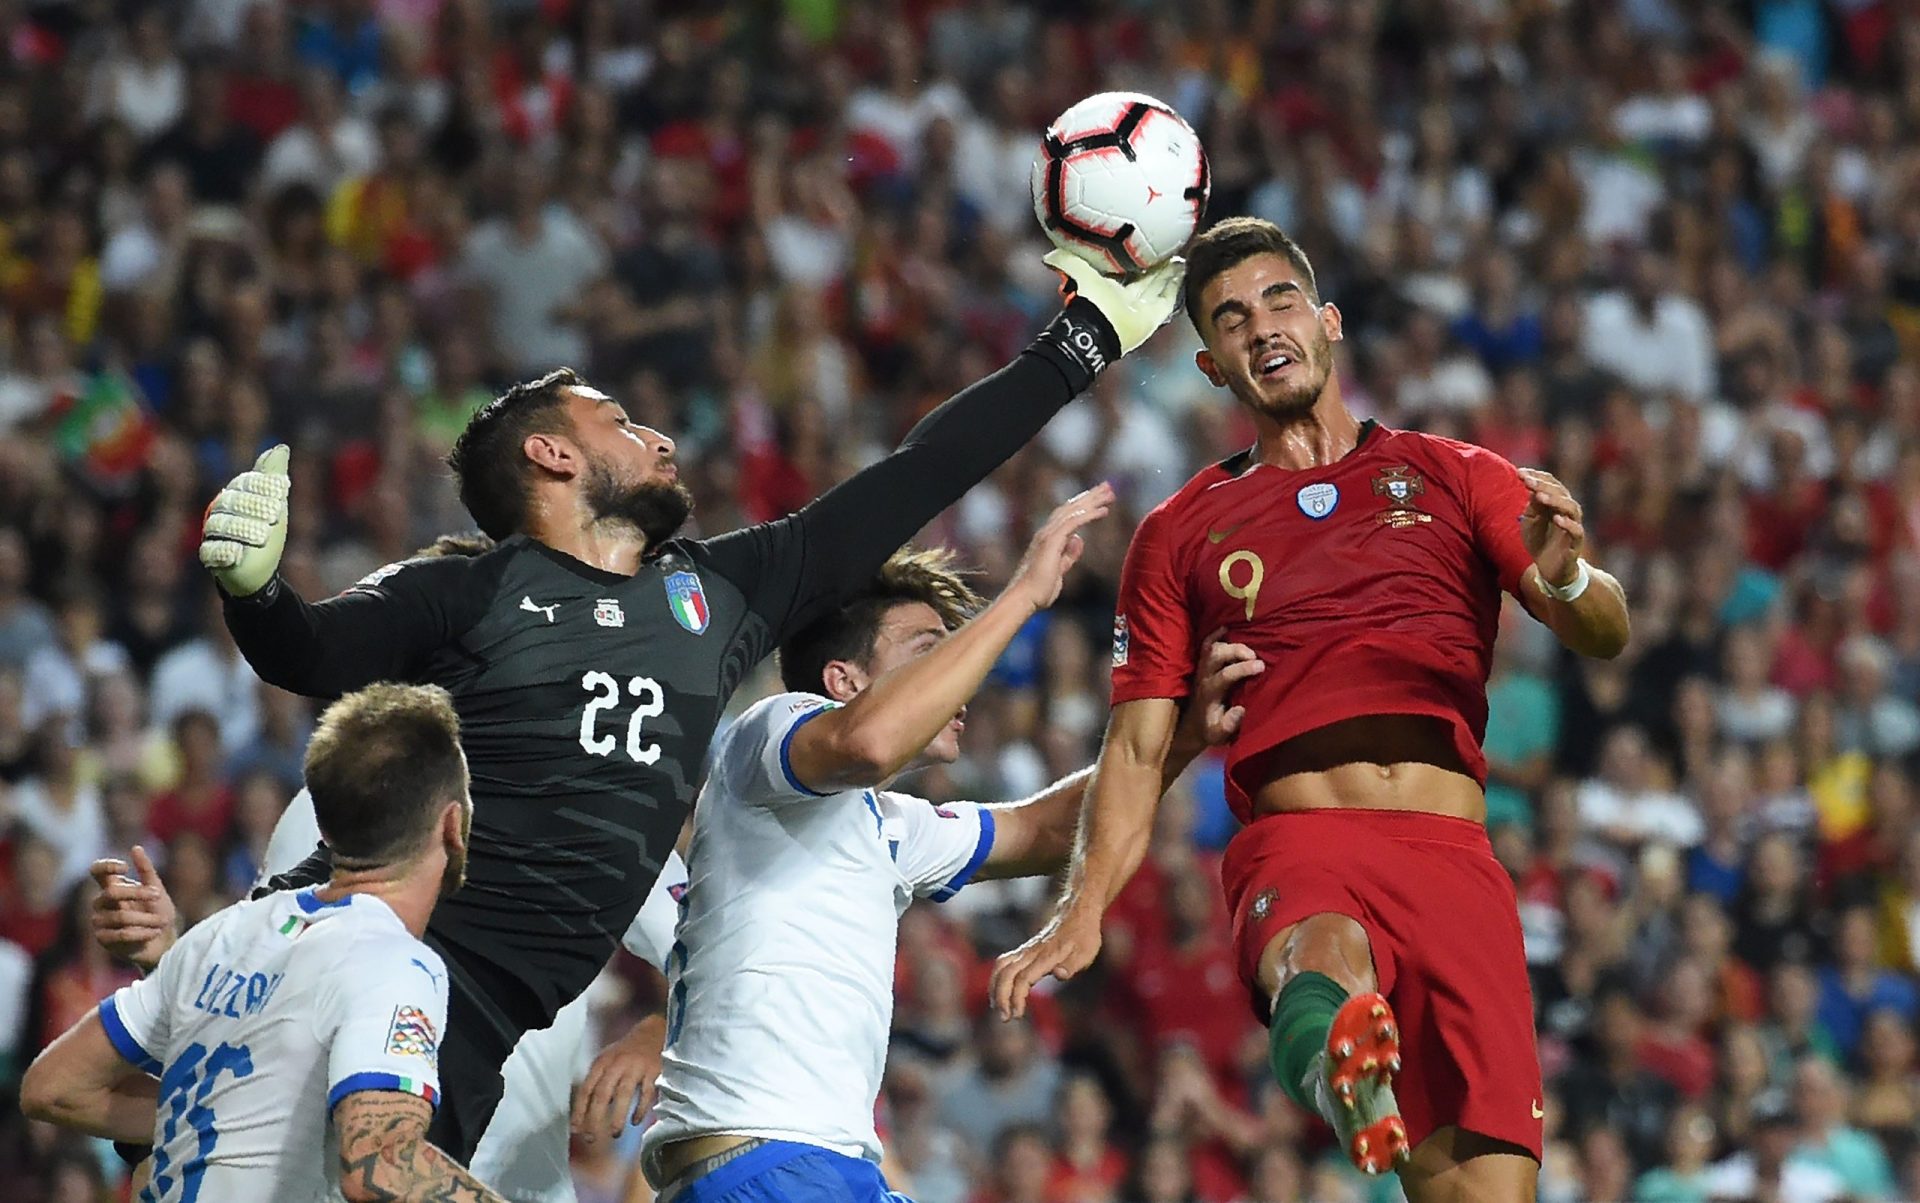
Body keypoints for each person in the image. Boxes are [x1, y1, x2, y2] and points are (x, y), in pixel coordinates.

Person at [191, 248, 1183, 1162]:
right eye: (621, 423)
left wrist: (1077, 344)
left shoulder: (721, 593)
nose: (658, 436)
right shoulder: (468, 591)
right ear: (552, 457)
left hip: (481, 1026)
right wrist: (256, 593)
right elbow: (312, 652)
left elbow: (921, 472)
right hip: (373, 970)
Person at [990, 218, 1632, 1202]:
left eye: (1279, 300)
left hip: (1453, 862)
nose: (1262, 327)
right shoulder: (1178, 536)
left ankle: (1352, 1076)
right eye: (1232, 319)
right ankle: (1342, 1077)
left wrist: (1570, 572)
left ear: (1327, 321)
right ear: (1212, 365)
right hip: (1304, 840)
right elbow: (1136, 749)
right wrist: (1083, 909)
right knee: (1323, 960)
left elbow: (1601, 629)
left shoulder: (1457, 476)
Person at [639, 491, 1256, 1203]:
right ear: (844, 680)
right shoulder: (770, 730)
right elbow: (865, 740)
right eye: (932, 651)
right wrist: (1023, 595)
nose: (967, 678)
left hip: (824, 1165)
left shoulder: (889, 824)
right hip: (766, 1160)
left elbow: (1047, 830)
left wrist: (1181, 737)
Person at [87, 529, 691, 1203]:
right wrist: (169, 958)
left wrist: (655, 1031)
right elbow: (257, 1003)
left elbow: (713, 951)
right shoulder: (328, 808)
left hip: (519, 1184)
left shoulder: (587, 806)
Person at [21, 682, 510, 1202]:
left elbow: (54, 1086)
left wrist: (222, 1120)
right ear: (453, 824)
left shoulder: (221, 932)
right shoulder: (395, 965)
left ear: (323, 826)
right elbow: (380, 1168)